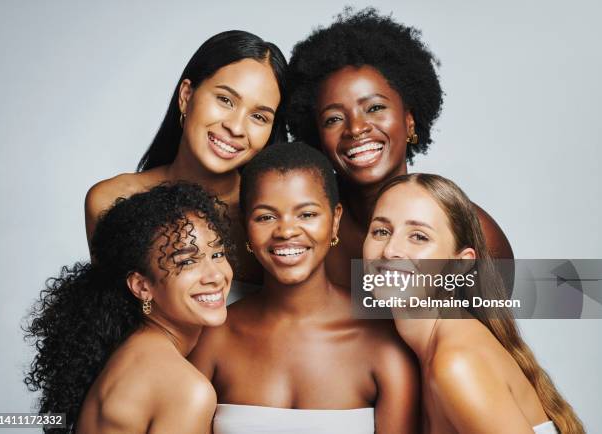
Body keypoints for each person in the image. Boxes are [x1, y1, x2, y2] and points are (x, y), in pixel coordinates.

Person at [189, 142, 419, 434]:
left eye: (307, 214)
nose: (286, 231)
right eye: (266, 217)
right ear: (246, 227)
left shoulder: (385, 339)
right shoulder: (213, 335)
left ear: (335, 220)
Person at [286, 7, 513, 288]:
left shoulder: (474, 234)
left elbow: (491, 331)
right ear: (316, 136)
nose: (356, 128)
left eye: (375, 108)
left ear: (410, 121)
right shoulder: (300, 230)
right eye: (333, 118)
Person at [363, 173, 583, 434]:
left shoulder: (456, 365)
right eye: (381, 231)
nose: (390, 251)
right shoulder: (431, 350)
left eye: (419, 237)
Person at [25, 183, 233, 434]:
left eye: (218, 254)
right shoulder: (186, 389)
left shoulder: (128, 350)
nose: (215, 276)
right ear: (141, 286)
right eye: (187, 261)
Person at [85, 30, 287, 285]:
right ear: (186, 96)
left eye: (259, 117)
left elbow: (351, 306)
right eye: (225, 100)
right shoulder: (111, 201)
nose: (236, 128)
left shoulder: (279, 216)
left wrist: (358, 303)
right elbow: (105, 316)